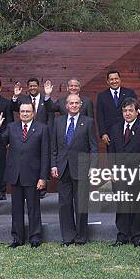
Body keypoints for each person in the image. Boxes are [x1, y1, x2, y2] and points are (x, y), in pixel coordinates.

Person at [0, 103, 50, 248]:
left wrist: (43, 177)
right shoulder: (12, 127)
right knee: (16, 209)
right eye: (22, 111)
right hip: (15, 175)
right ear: (19, 113)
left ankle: (35, 238)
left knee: (33, 208)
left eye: (28, 111)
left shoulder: (42, 128)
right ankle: (17, 238)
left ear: (33, 112)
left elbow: (45, 154)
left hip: (33, 175)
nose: (25, 114)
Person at [107, 98, 140, 248]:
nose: (127, 113)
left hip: (139, 171)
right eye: (125, 111)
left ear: (136, 112)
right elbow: (111, 151)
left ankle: (137, 236)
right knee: (122, 204)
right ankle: (122, 235)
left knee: (137, 204)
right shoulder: (115, 128)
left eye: (131, 110)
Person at [51, 94, 98, 246]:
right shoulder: (57, 121)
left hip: (82, 168)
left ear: (81, 105)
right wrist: (53, 165)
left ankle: (81, 237)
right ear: (66, 105)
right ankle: (68, 237)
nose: (74, 105)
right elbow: (53, 147)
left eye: (76, 103)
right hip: (63, 168)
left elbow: (94, 148)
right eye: (71, 103)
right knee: (64, 204)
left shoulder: (88, 122)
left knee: (81, 204)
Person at [96, 70, 138, 146]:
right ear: (108, 81)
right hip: (110, 134)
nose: (114, 81)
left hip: (128, 131)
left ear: (120, 79)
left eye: (116, 79)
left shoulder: (130, 93)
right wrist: (103, 133)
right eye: (111, 79)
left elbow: (135, 112)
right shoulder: (102, 96)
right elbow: (100, 116)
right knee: (113, 156)